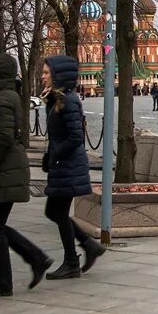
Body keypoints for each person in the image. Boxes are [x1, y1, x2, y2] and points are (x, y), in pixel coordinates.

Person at [0, 54, 53, 297]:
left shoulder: (1, 98)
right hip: (7, 167)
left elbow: (4, 136)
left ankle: (4, 281)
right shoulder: (7, 95)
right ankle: (35, 259)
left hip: (5, 168)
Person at [40, 56, 106, 280]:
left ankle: (73, 260)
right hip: (63, 165)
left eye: (47, 72)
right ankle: (87, 247)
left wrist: (55, 155)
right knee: (54, 211)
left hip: (67, 165)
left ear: (58, 75)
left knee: (55, 211)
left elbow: (76, 137)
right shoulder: (59, 99)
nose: (43, 76)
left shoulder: (68, 101)